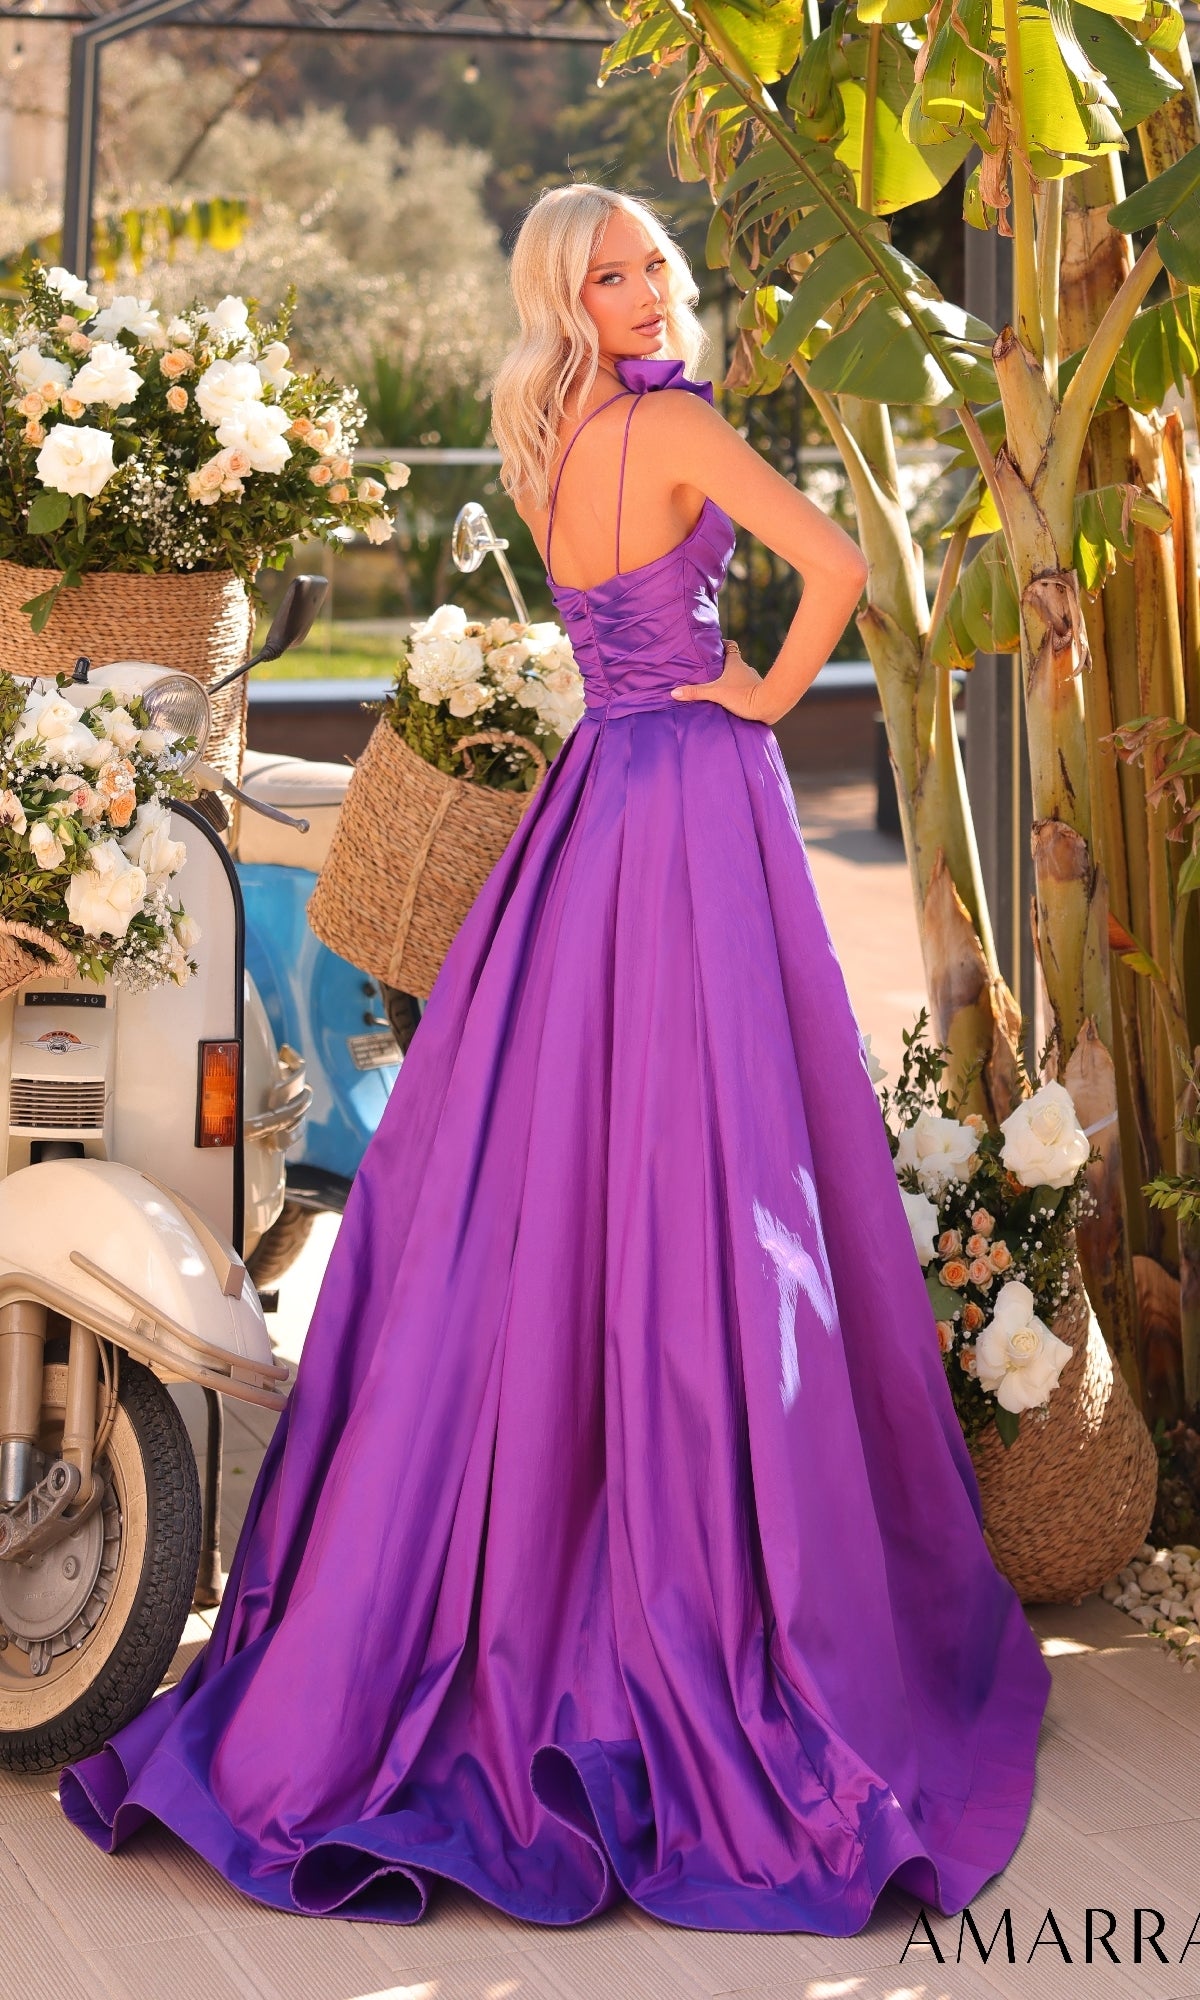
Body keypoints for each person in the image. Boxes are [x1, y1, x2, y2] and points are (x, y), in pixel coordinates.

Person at [58, 182, 1051, 1936]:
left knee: (551, 1178)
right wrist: (762, 696)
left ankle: (536, 1554)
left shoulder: (552, 438)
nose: (650, 284)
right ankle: (716, 1569)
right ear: (569, 298)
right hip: (691, 796)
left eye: (654, 261)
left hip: (594, 812)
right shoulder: (672, 422)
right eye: (617, 269)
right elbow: (831, 569)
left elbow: (595, 634)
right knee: (722, 1159)